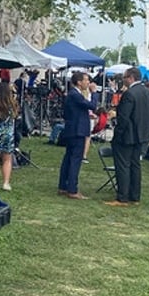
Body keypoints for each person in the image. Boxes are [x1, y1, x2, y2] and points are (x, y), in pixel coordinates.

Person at [106, 67, 149, 207]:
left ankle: (122, 197)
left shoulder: (129, 94)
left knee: (123, 166)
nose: (123, 80)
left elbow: (124, 118)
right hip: (142, 135)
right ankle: (135, 196)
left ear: (131, 77)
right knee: (135, 165)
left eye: (125, 77)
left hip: (127, 135)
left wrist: (118, 133)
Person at [58, 71, 97, 200]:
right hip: (77, 131)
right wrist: (94, 93)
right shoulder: (75, 94)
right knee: (75, 159)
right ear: (79, 82)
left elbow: (76, 110)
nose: (88, 82)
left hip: (72, 129)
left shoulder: (73, 94)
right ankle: (72, 189)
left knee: (68, 158)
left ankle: (63, 185)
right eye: (86, 80)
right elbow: (92, 105)